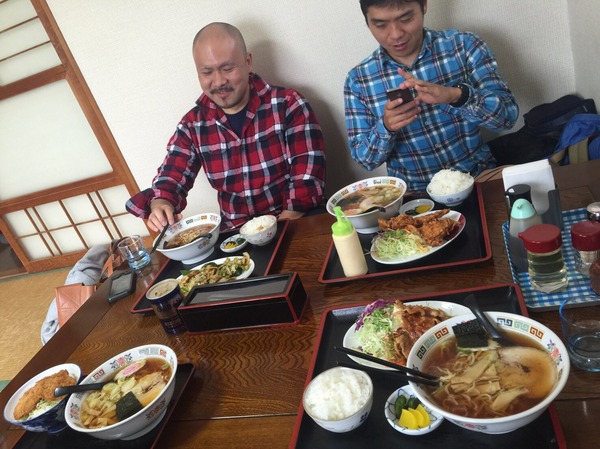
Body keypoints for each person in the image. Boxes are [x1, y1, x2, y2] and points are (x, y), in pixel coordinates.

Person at [126, 22, 326, 231]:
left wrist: (277, 231)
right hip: (237, 235)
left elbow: (307, 176)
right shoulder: (192, 125)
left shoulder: (288, 104)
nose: (219, 81)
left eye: (228, 68)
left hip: (295, 221)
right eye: (207, 72)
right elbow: (172, 175)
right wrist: (161, 202)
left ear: (248, 62)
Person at [345, 0, 519, 192]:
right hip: (415, 195)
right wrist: (386, 127)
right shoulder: (359, 80)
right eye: (380, 25)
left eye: (406, 18)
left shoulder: (463, 46)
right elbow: (365, 160)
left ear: (424, 6)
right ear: (367, 22)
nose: (395, 34)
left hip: (478, 176)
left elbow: (508, 118)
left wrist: (457, 96)